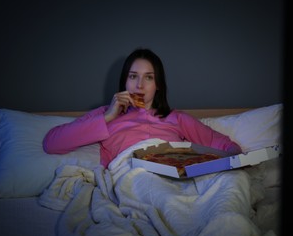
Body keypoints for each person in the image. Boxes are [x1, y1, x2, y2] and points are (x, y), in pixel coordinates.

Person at [43, 48, 242, 168]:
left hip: (174, 177)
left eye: (149, 77)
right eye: (133, 76)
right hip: (130, 177)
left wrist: (231, 163)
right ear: (125, 82)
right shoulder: (105, 114)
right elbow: (52, 143)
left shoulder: (177, 118)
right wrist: (108, 117)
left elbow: (226, 146)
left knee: (231, 183)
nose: (140, 85)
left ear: (158, 85)